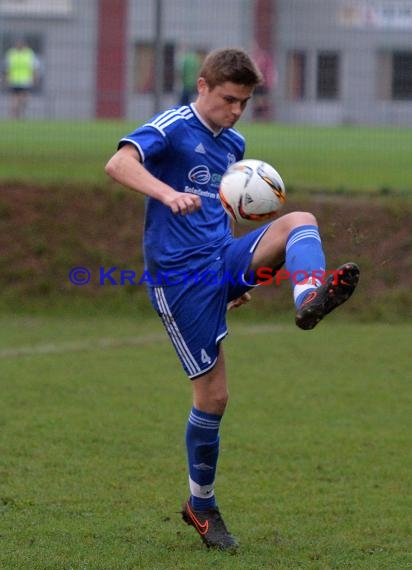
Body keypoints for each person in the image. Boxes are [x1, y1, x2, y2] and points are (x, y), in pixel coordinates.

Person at [105, 47, 359, 552]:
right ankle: (200, 506)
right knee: (214, 398)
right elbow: (118, 163)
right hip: (180, 279)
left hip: (221, 260)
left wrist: (237, 280)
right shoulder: (174, 125)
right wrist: (165, 194)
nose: (236, 110)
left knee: (298, 222)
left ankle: (309, 298)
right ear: (202, 86)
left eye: (244, 102)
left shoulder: (234, 141)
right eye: (228, 99)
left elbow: (224, 206)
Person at [4, 39, 40, 119]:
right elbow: (7, 68)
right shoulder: (11, 53)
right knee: (15, 99)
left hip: (25, 81)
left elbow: (35, 67)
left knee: (24, 99)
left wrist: (36, 78)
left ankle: (19, 113)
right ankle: (15, 115)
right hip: (14, 81)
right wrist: (6, 78)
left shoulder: (29, 54)